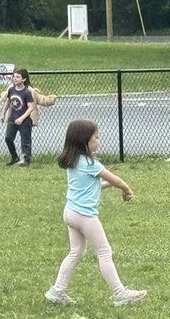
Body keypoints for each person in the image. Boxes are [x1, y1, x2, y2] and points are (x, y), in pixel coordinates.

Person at [45, 119, 145, 308]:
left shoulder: (73, 161)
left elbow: (93, 185)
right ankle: (119, 293)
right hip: (85, 217)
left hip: (70, 213)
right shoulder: (91, 164)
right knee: (104, 252)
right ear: (85, 141)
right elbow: (115, 179)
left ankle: (57, 291)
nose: (99, 141)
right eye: (96, 138)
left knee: (76, 252)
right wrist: (126, 190)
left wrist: (113, 187)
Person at [0, 68, 35, 166]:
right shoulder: (11, 90)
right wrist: (3, 114)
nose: (15, 79)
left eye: (18, 77)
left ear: (23, 79)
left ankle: (25, 159)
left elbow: (31, 107)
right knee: (8, 138)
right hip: (13, 118)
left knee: (25, 141)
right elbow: (8, 102)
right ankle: (14, 156)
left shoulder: (26, 92)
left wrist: (22, 118)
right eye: (14, 76)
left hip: (24, 121)